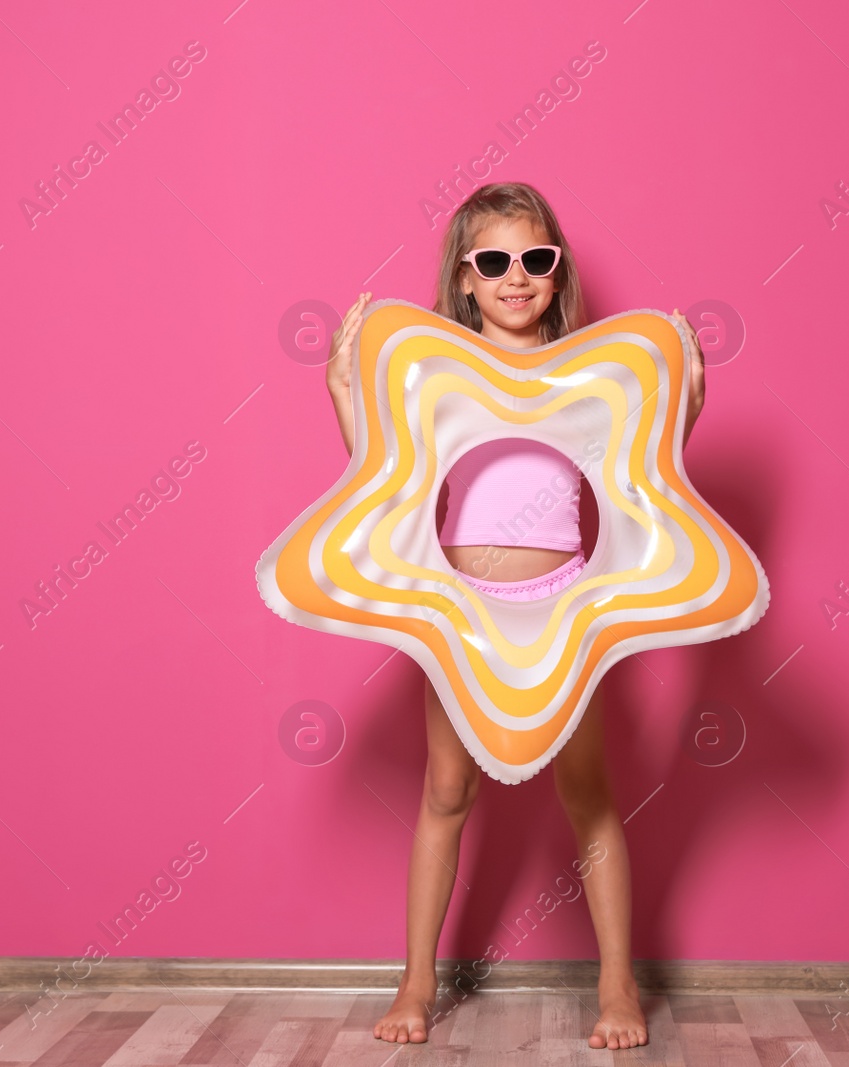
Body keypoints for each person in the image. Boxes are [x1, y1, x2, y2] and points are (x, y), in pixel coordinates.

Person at [323, 181, 706, 1050]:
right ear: (465, 278)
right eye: (494, 261)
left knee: (588, 793)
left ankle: (617, 983)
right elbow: (381, 478)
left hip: (565, 608)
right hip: (461, 612)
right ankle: (417, 979)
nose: (516, 277)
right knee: (447, 789)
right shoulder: (438, 376)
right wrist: (345, 388)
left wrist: (686, 402)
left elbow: (648, 479)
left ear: (557, 269)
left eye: (536, 259)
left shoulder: (586, 376)